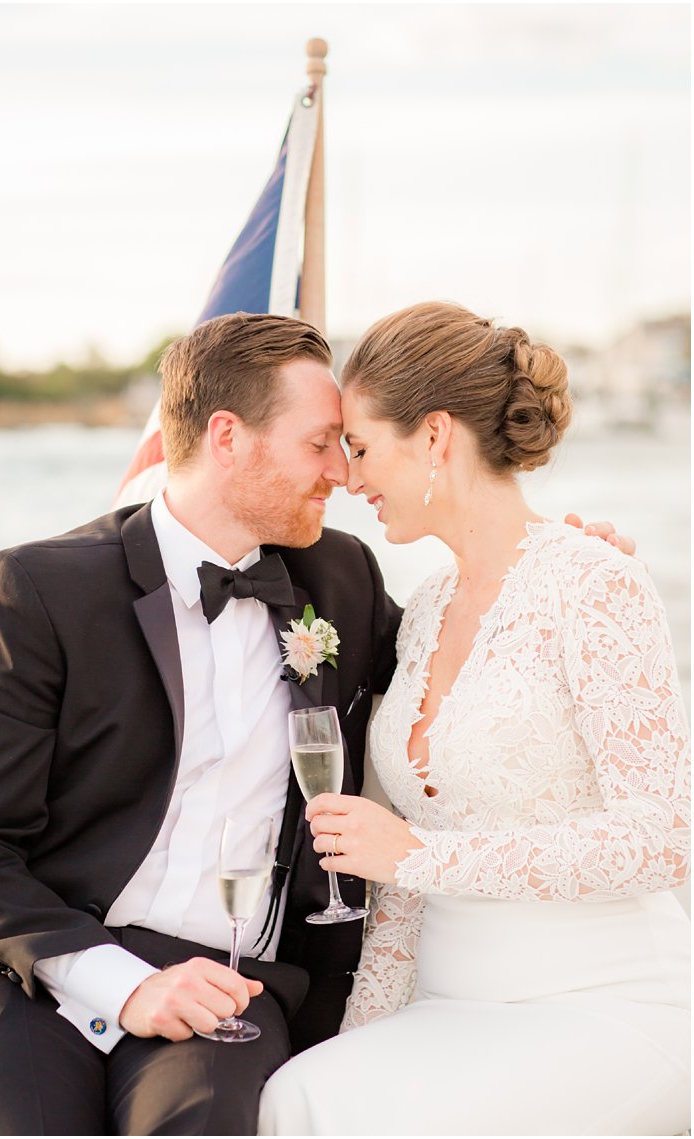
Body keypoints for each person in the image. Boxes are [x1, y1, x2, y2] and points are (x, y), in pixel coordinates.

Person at [0, 312, 404, 1135]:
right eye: (320, 442)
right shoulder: (36, 592)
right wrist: (123, 981)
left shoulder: (343, 578)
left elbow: (460, 676)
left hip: (235, 981)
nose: (342, 471)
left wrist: (553, 571)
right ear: (228, 436)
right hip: (38, 964)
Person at [257, 302, 690, 1136]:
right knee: (299, 1097)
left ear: (436, 436)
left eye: (362, 445)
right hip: (450, 1001)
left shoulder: (596, 582)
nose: (349, 477)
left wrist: (422, 854)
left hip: (604, 1000)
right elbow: (407, 889)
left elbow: (663, 836)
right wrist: (362, 1032)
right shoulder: (420, 612)